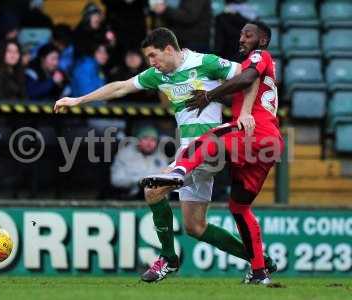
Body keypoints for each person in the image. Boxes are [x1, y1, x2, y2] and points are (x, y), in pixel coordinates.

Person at [54, 27, 276, 283]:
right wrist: (78, 100)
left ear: (169, 49)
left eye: (153, 56)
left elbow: (250, 77)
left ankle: (168, 260)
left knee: (153, 189)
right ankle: (259, 260)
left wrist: (246, 112)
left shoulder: (205, 62)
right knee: (195, 227)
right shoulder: (159, 74)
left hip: (208, 150)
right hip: (191, 154)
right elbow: (121, 87)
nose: (151, 63)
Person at [140, 21, 284, 284]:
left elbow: (247, 77)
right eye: (240, 33)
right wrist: (216, 96)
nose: (241, 38)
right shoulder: (254, 68)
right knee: (237, 208)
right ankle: (260, 267)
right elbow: (244, 84)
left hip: (255, 133)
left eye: (248, 35)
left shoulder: (258, 56)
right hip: (264, 146)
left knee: (204, 141)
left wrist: (209, 96)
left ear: (262, 41)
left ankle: (179, 173)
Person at [110, 126, 168, 199]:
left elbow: (168, 181)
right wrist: (138, 182)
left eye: (153, 140)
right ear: (138, 140)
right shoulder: (124, 155)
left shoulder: (161, 157)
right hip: (131, 199)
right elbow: (116, 180)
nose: (149, 143)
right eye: (145, 138)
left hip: (158, 199)